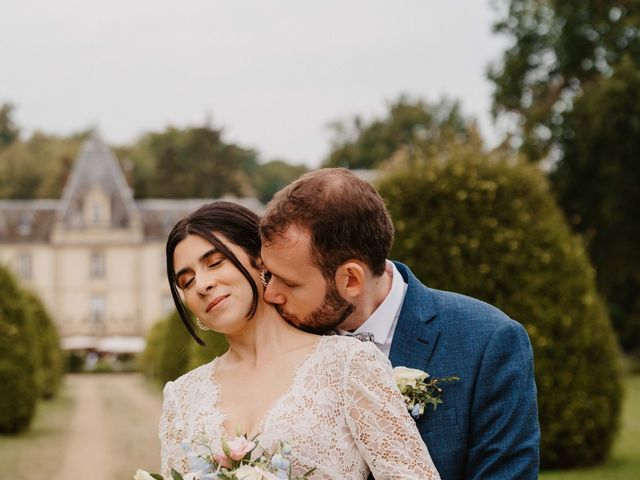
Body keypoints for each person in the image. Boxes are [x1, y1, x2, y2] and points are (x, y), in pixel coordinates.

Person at [259, 168, 540, 480]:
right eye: (268, 274)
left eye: (290, 283)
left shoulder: (488, 341)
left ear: (351, 279)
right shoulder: (277, 342)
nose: (270, 294)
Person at [159, 201, 440, 479]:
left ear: (260, 260)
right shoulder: (182, 396)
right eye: (186, 281)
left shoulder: (348, 364)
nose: (202, 285)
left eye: (215, 263)